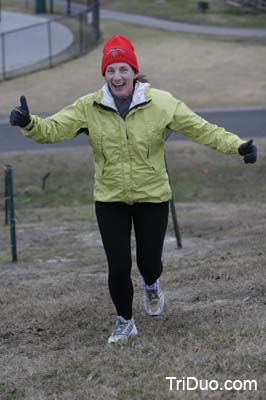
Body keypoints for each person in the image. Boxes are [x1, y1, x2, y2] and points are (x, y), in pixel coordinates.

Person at [10, 35, 257, 344]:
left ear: (134, 72)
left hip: (152, 196)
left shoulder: (162, 103)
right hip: (110, 198)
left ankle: (152, 284)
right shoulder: (89, 106)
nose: (117, 76)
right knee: (118, 264)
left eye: (123, 69)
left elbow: (201, 129)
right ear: (104, 74)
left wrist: (237, 146)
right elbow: (53, 129)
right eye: (111, 70)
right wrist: (29, 123)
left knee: (148, 263)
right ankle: (125, 321)